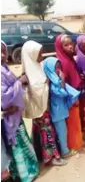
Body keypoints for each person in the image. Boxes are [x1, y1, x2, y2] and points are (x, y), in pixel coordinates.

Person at [21, 41, 66, 166]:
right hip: (39, 110)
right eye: (39, 54)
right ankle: (51, 157)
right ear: (31, 55)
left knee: (43, 133)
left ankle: (43, 156)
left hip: (43, 108)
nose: (42, 56)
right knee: (47, 133)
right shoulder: (28, 73)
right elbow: (36, 91)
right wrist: (46, 82)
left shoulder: (37, 66)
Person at [1, 41, 39, 182]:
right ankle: (25, 175)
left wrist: (17, 81)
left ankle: (28, 171)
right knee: (17, 147)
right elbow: (4, 97)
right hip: (8, 118)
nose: (2, 55)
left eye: (4, 51)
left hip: (15, 116)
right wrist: (20, 82)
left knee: (23, 143)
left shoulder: (4, 68)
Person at [43, 57, 80, 156]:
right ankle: (65, 151)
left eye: (59, 68)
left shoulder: (55, 81)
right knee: (62, 131)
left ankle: (63, 149)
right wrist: (62, 81)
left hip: (60, 110)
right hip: (57, 111)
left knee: (62, 131)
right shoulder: (52, 83)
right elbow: (62, 93)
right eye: (56, 68)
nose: (59, 71)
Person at [55, 34, 83, 151]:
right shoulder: (62, 62)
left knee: (75, 120)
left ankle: (76, 142)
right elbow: (64, 83)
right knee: (72, 122)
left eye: (71, 43)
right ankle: (73, 144)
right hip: (70, 97)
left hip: (74, 94)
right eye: (66, 45)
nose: (71, 47)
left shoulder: (69, 58)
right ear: (60, 47)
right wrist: (73, 97)